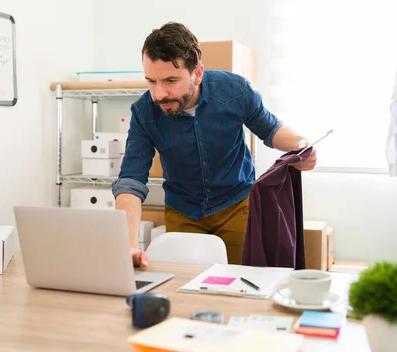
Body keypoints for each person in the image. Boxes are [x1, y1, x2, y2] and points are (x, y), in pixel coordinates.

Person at [112, 22, 317, 267]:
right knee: (185, 288)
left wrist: (301, 144)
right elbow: (131, 181)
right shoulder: (144, 113)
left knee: (245, 283)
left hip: (237, 205)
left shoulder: (235, 90)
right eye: (151, 82)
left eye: (170, 81)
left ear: (197, 74)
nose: (159, 94)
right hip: (183, 211)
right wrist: (128, 246)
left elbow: (270, 129)